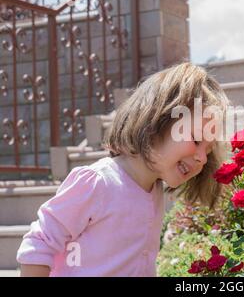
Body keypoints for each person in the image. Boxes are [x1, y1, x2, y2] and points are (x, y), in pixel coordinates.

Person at [16, 62, 230, 277]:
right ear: (157, 121)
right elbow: (40, 242)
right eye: (195, 139)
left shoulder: (153, 191)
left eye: (208, 151)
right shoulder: (97, 182)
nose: (202, 158)